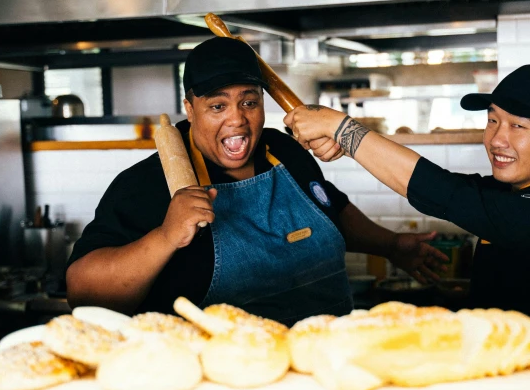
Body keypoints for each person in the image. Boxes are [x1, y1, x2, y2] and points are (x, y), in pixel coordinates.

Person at [66, 37, 447, 327]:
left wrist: (394, 246)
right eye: (217, 106)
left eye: (249, 102)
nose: (237, 120)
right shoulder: (149, 183)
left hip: (324, 366)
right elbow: (82, 292)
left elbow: (331, 211)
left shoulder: (284, 149)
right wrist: (165, 237)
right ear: (189, 108)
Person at [284, 64, 530, 382]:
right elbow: (444, 185)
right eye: (492, 120)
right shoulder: (514, 190)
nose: (497, 139)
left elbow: (442, 192)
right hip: (510, 381)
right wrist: (341, 137)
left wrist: (341, 129)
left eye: (517, 127)